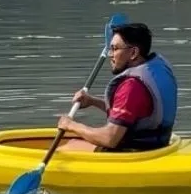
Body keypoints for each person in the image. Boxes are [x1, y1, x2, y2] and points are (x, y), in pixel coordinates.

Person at [56, 22, 178, 152]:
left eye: (115, 49)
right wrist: (92, 101)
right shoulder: (156, 69)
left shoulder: (131, 86)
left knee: (66, 148)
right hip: (157, 146)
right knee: (75, 143)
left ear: (133, 52)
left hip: (133, 153)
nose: (110, 54)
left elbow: (110, 138)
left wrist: (72, 125)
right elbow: (133, 112)